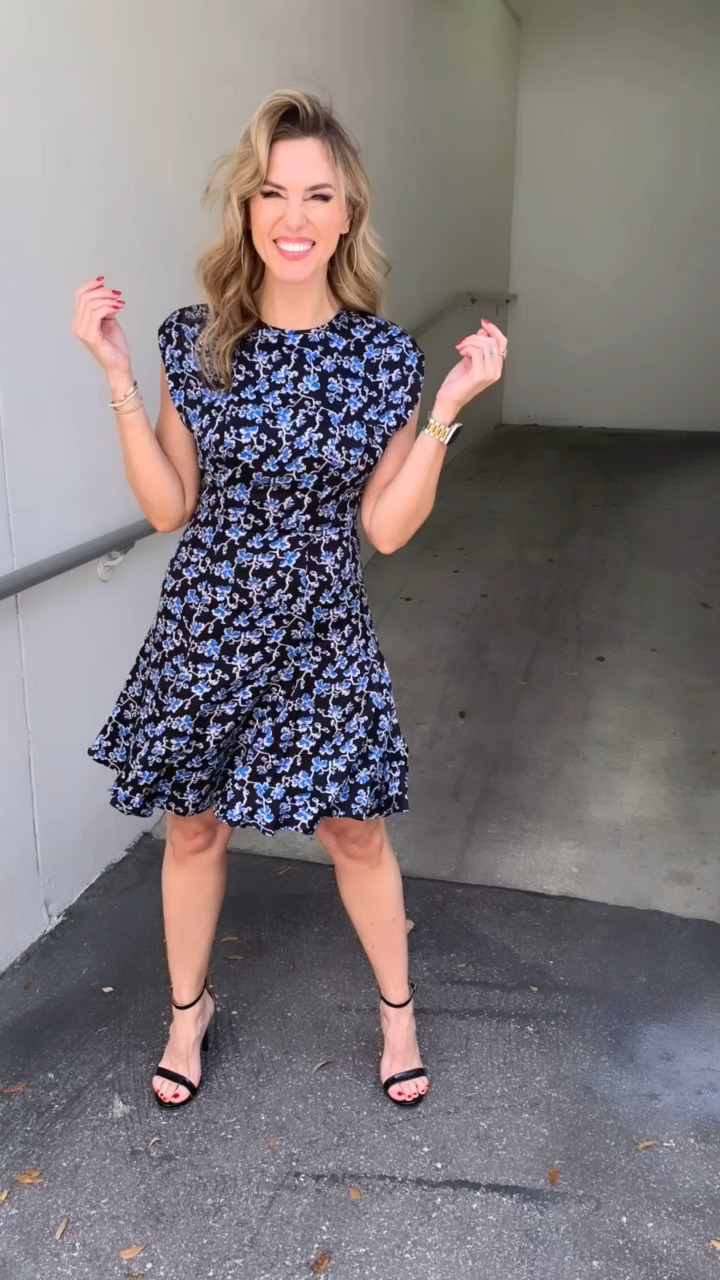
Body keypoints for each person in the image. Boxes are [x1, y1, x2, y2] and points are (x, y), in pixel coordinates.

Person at [72, 90, 507, 1111]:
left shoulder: (383, 357)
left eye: (317, 194)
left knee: (354, 828)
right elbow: (170, 506)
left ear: (348, 215)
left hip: (323, 625)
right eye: (272, 192)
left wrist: (444, 413)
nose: (293, 216)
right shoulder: (198, 340)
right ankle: (188, 1013)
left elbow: (386, 526)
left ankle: (398, 1015)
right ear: (248, 208)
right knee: (193, 827)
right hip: (208, 623)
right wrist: (119, 378)